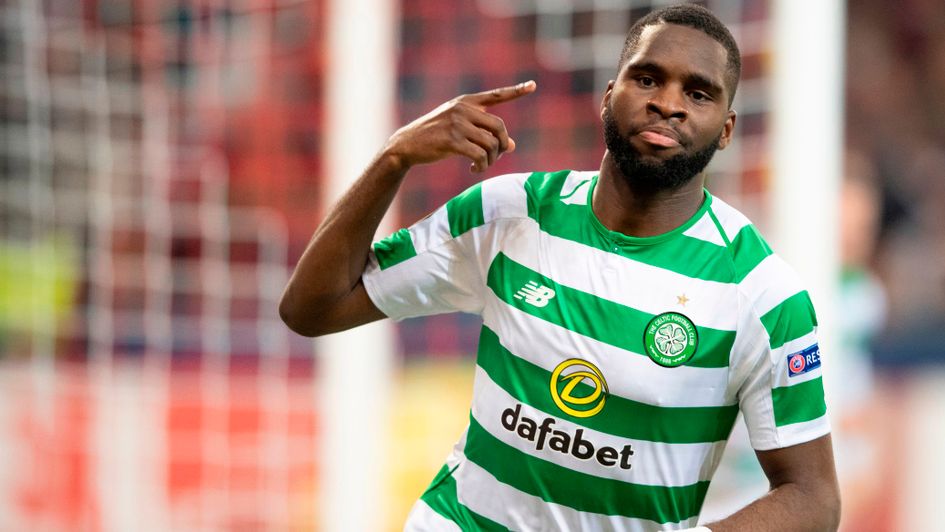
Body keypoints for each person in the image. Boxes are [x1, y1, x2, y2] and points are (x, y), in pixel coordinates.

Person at [280, 4, 841, 531]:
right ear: (607, 95)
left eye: (697, 93)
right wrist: (395, 156)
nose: (667, 103)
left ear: (726, 129)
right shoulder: (510, 212)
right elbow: (311, 307)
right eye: (646, 79)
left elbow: (814, 496)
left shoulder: (762, 295)